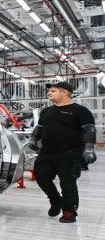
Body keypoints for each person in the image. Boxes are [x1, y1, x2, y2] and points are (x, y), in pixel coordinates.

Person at [31, 80, 96, 222]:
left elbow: (89, 129)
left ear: (64, 92)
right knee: (41, 178)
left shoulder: (80, 111)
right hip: (47, 153)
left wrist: (89, 148)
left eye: (53, 90)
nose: (49, 92)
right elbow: (39, 128)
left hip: (70, 154)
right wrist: (33, 140)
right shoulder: (46, 111)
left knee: (68, 183)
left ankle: (69, 211)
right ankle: (56, 201)